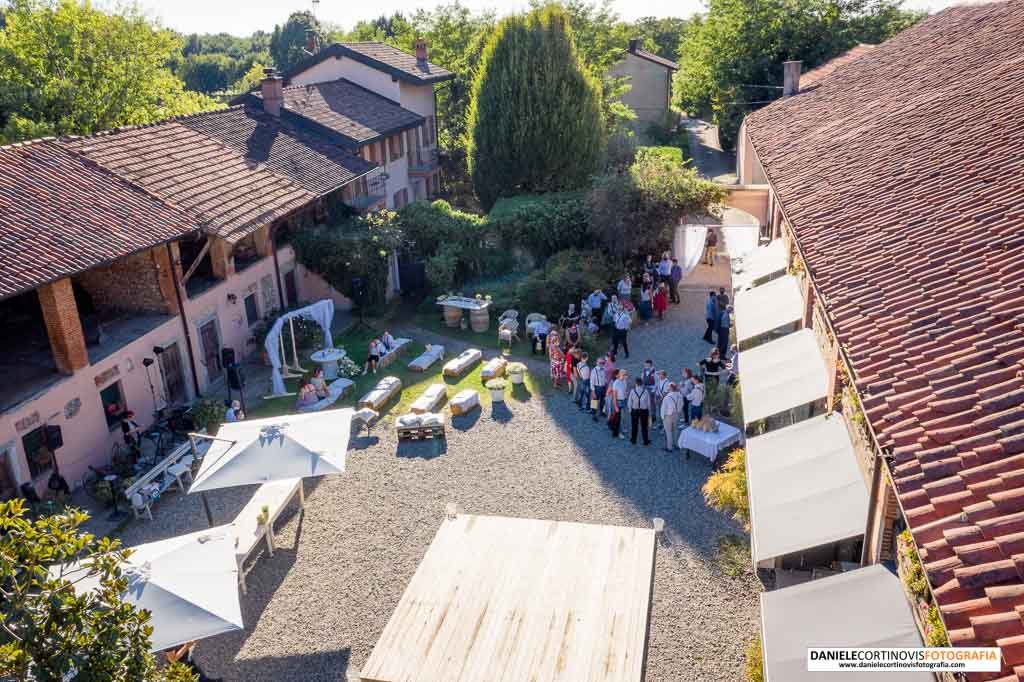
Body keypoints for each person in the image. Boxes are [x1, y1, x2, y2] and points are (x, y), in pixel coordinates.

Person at [628, 378, 652, 446]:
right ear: (642, 383)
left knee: (634, 425)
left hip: (635, 410)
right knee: (644, 426)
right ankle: (645, 441)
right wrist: (649, 411)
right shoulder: (645, 391)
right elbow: (648, 402)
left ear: (636, 383)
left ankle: (633, 440)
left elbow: (630, 401)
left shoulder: (633, 391)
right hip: (644, 411)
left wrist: (630, 410)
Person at [660, 382, 683, 452]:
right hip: (676, 415)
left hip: (668, 416)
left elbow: (663, 408)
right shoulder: (680, 396)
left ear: (671, 388)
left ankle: (669, 447)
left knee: (668, 432)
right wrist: (679, 412)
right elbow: (681, 405)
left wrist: (662, 417)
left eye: (668, 387)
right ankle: (676, 444)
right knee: (675, 430)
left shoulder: (667, 397)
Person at [609, 369, 629, 439]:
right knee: (618, 418)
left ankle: (622, 429)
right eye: (625, 375)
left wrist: (626, 394)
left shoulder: (624, 381)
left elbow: (625, 390)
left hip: (624, 400)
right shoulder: (616, 383)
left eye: (626, 374)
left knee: (623, 416)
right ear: (620, 375)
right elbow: (614, 396)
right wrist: (615, 406)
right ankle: (618, 432)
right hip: (618, 401)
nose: (626, 376)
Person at [640, 360, 657, 424]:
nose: (646, 366)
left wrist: (653, 390)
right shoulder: (644, 370)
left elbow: (656, 382)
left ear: (650, 365)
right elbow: (642, 378)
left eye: (647, 365)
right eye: (645, 365)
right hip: (645, 388)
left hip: (651, 389)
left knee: (652, 405)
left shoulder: (654, 372)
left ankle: (653, 417)